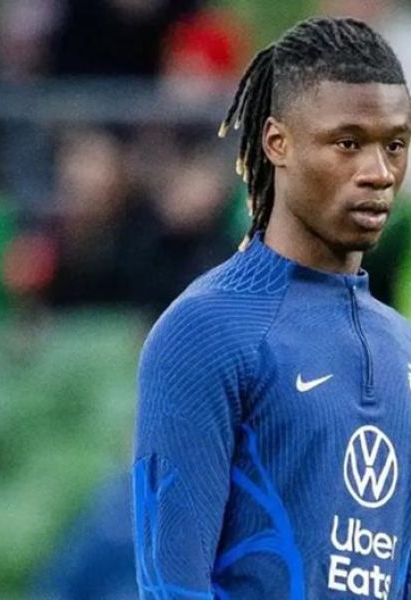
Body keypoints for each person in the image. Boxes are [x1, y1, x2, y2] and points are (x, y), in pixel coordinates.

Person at [132, 17, 411, 598]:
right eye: (348, 143)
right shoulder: (206, 331)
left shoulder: (403, 349)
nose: (379, 173)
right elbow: (171, 586)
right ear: (276, 142)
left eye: (395, 145)